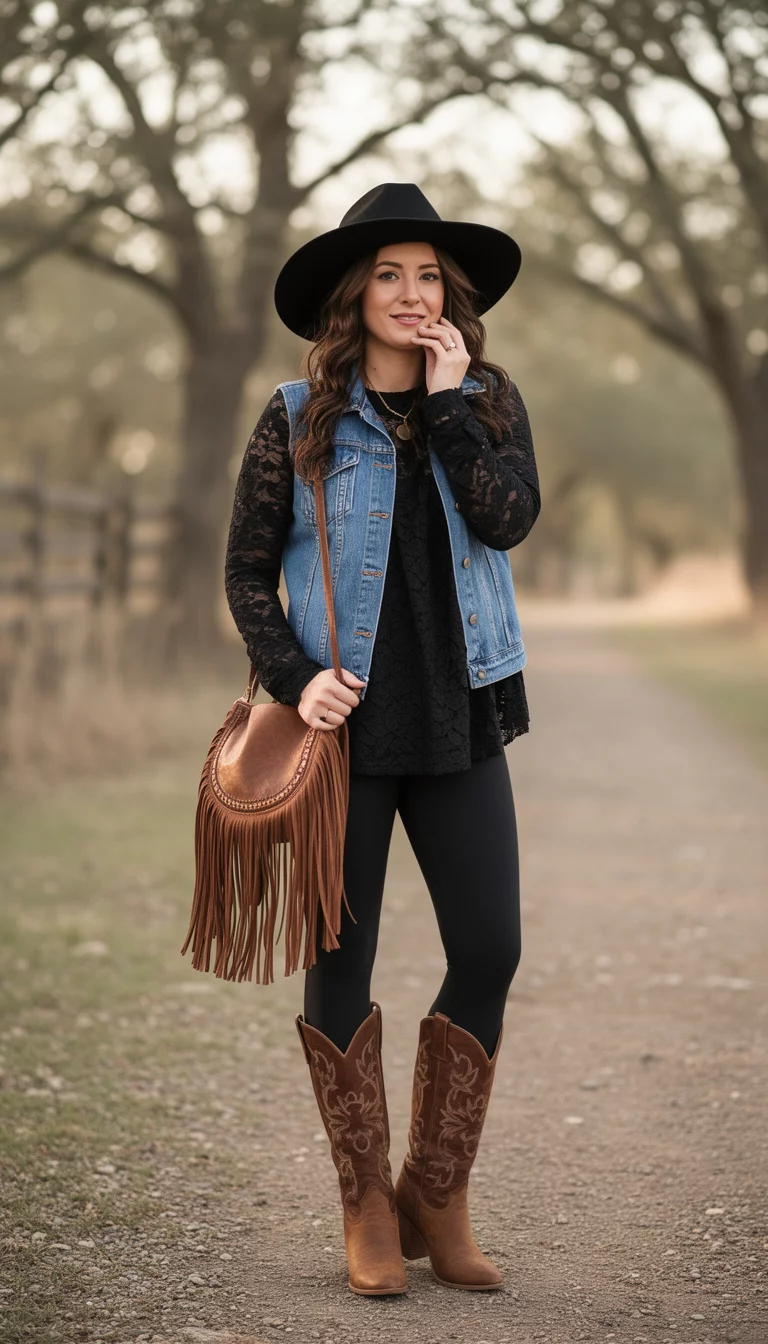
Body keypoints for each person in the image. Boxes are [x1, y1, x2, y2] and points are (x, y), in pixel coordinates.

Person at [224, 183, 541, 1297]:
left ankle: (435, 1193)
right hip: (345, 736)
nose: (413, 294)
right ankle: (364, 1204)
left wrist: (452, 405)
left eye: (429, 276)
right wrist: (296, 678)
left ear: (450, 295)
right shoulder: (296, 414)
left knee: (491, 948)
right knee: (341, 963)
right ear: (353, 295)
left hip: (461, 719)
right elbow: (245, 572)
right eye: (390, 274)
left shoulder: (489, 397)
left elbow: (507, 519)